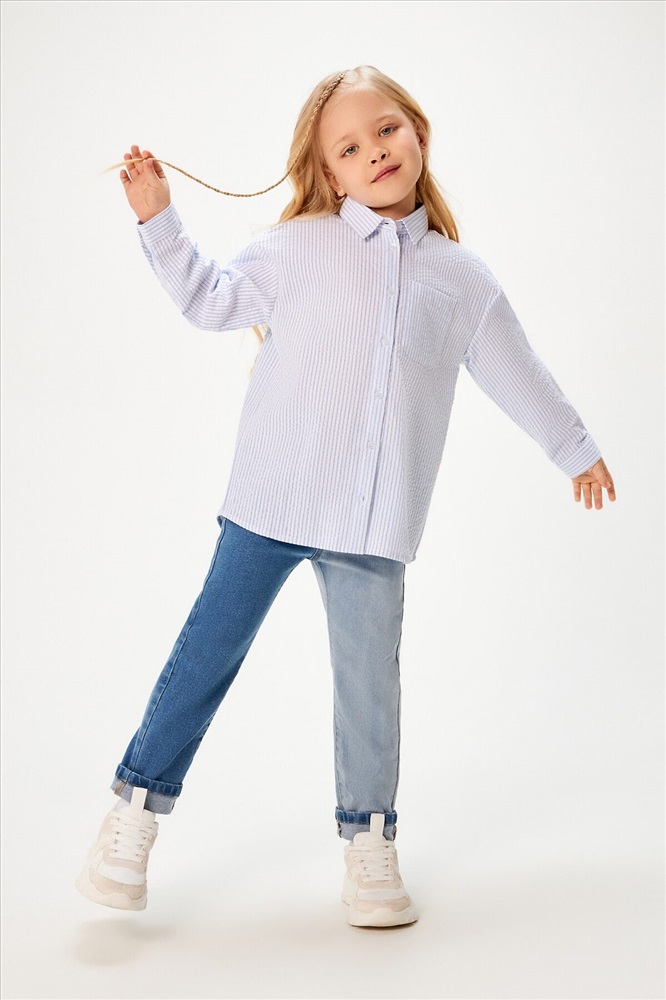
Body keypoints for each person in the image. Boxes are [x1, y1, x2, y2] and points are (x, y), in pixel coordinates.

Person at [76, 65, 616, 928]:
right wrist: (158, 218)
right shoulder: (298, 247)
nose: (376, 153)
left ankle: (369, 842)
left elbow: (517, 371)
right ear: (329, 173)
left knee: (369, 687)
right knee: (207, 654)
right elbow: (209, 301)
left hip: (374, 518)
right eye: (351, 148)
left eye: (387, 131)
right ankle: (133, 813)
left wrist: (575, 448)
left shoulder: (461, 279)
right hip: (271, 501)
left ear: (419, 133)